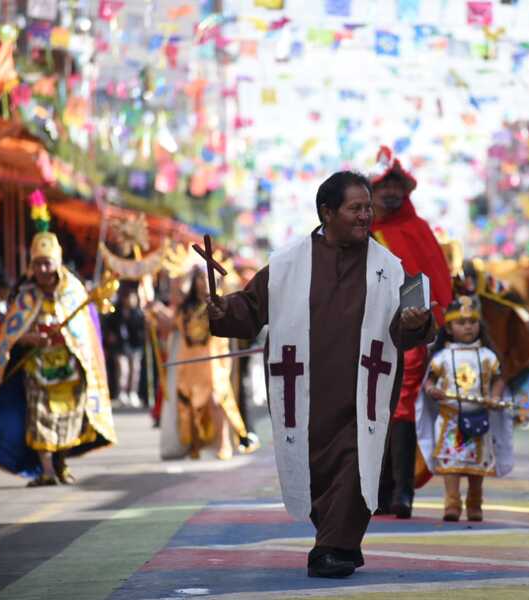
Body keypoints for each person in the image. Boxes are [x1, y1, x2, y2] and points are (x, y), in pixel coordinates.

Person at [207, 171, 436, 578]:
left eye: (367, 208)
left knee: (357, 461)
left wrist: (416, 322)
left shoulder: (388, 267)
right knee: (314, 468)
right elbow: (252, 307)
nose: (366, 216)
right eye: (355, 208)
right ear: (327, 213)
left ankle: (332, 547)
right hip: (304, 393)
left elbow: (406, 327)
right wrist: (225, 310)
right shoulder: (288, 264)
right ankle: (339, 540)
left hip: (363, 391)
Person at [0, 231, 117, 486]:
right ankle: (47, 470)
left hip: (71, 371)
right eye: (37, 263)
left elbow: (85, 334)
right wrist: (30, 338)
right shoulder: (25, 297)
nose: (42, 269)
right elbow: (10, 336)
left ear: (58, 263)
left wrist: (64, 337)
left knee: (68, 420)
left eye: (47, 263)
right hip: (37, 370)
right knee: (39, 418)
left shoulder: (74, 291)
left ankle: (60, 464)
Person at [369, 146, 453, 520]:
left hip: (408, 332)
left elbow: (433, 280)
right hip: (366, 333)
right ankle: (377, 489)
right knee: (370, 408)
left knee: (402, 408)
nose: (390, 194)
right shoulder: (359, 232)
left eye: (396, 187)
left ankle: (402, 491)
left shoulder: (417, 230)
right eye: (383, 187)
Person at [418, 296, 509, 522]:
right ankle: (452, 504)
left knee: (477, 466)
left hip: (480, 418)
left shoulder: (488, 356)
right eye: (461, 323)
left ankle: (475, 504)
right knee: (452, 465)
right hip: (451, 420)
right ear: (449, 328)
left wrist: (495, 397)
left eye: (472, 322)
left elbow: (499, 379)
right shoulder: (442, 357)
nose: (468, 327)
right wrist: (431, 390)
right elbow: (429, 380)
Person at [161, 266, 244, 461]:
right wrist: (153, 313)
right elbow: (172, 325)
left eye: (207, 278)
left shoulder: (219, 303)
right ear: (195, 281)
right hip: (190, 362)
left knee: (217, 400)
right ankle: (195, 445)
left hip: (214, 362)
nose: (204, 282)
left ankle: (224, 442)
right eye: (200, 278)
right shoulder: (186, 307)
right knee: (190, 405)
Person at [103, 285, 147, 408]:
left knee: (135, 370)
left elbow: (141, 331)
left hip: (135, 346)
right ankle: (121, 393)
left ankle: (133, 393)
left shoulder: (138, 314)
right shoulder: (115, 312)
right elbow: (109, 326)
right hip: (120, 346)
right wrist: (111, 335)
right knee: (123, 369)